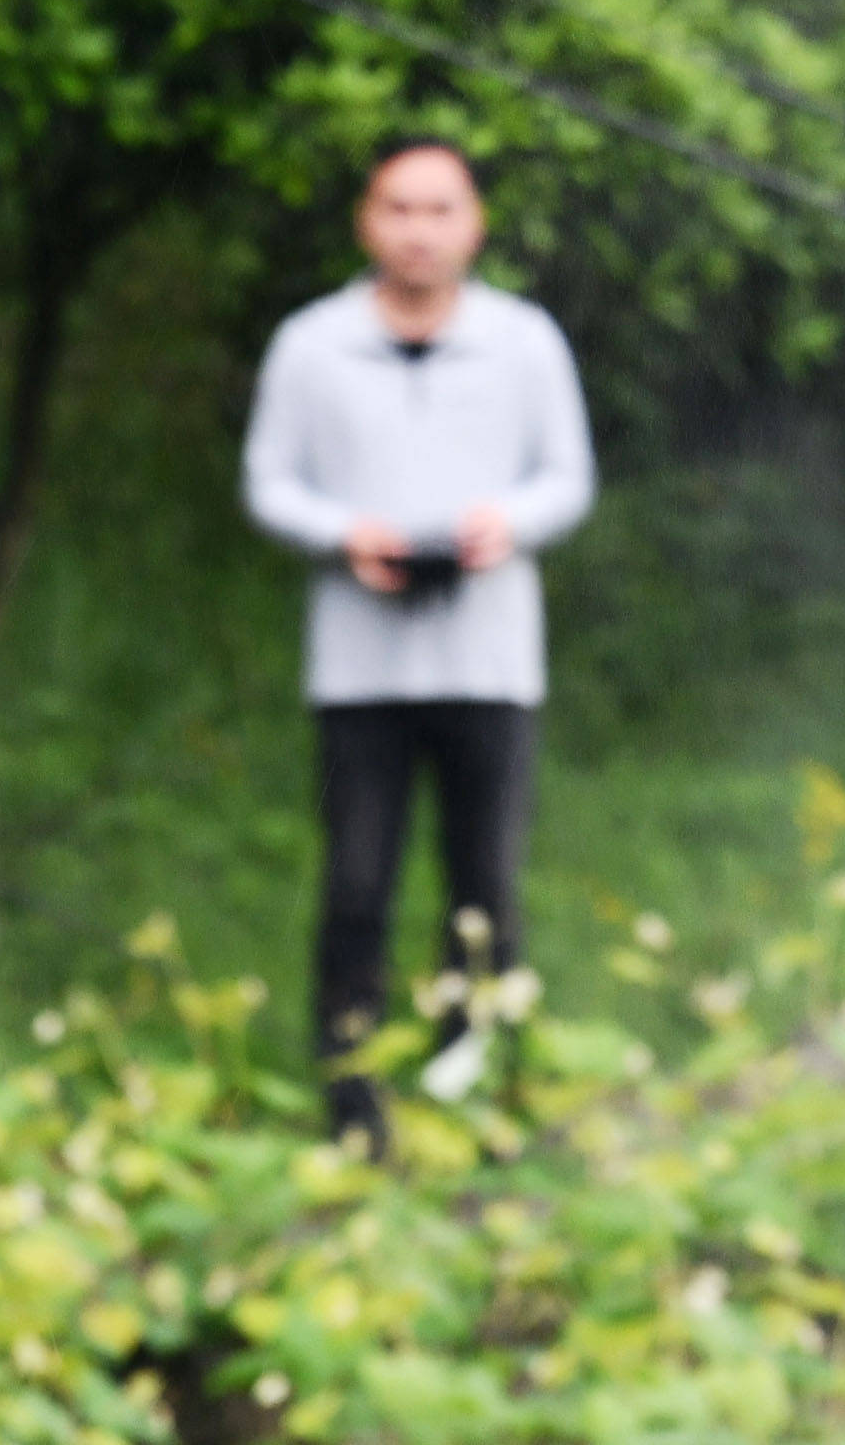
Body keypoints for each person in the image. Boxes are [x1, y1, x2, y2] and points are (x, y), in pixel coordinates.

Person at [236, 129, 594, 1146]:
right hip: (359, 666)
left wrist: (505, 526)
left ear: (475, 222)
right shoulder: (311, 345)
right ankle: (354, 1102)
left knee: (484, 884)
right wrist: (345, 535)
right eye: (399, 208)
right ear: (366, 220)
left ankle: (471, 1091)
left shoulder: (525, 341)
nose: (420, 232)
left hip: (489, 658)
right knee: (357, 885)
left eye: (440, 210)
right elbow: (269, 482)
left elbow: (567, 478)